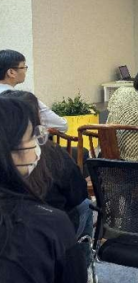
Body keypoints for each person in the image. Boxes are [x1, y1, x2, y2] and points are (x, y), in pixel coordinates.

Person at [0, 98, 87, 282]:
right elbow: (78, 194)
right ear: (10, 152)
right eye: (32, 136)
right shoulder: (50, 225)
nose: (38, 144)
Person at [0, 49, 68, 132]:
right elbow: (61, 125)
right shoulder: (23, 98)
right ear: (11, 72)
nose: (25, 71)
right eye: (23, 67)